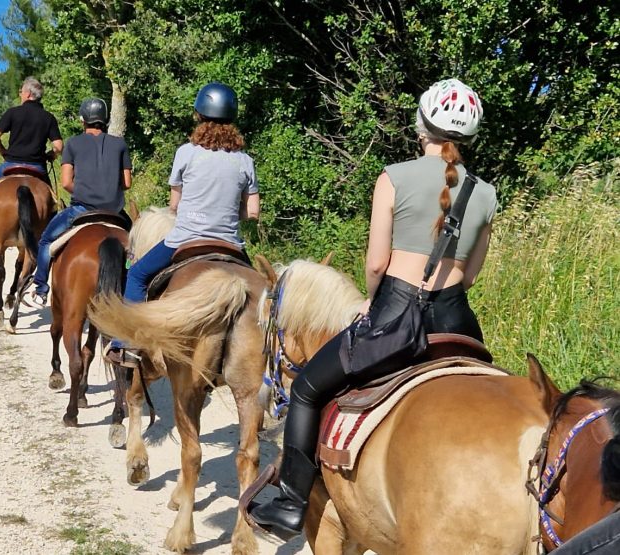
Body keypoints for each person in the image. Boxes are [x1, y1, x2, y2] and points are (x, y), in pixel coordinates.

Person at [246, 78, 498, 540]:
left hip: (396, 317)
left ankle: (290, 503)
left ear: (422, 125)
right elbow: (472, 274)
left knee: (304, 389)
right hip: (460, 321)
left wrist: (370, 301)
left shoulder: (393, 176)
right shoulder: (486, 193)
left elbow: (378, 262)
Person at [104, 82, 260, 367]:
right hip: (231, 245)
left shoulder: (186, 153)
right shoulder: (245, 161)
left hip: (184, 239)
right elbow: (252, 212)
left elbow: (174, 205)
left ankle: (125, 345)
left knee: (137, 274)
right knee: (263, 297)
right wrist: (225, 213)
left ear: (199, 115)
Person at [22, 97, 133, 308]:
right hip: (115, 212)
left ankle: (40, 289)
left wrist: (85, 191)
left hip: (82, 209)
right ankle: (135, 295)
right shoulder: (120, 144)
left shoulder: (72, 143)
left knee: (45, 241)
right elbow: (126, 183)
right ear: (105, 119)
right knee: (137, 249)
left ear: (83, 120)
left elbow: (65, 183)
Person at [0, 77, 64, 238]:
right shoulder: (48, 117)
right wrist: (51, 155)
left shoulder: (13, 112)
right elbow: (59, 146)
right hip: (37, 167)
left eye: (21, 91)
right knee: (52, 200)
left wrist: (3, 151)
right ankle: (50, 233)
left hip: (11, 164)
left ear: (28, 94)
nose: (20, 94)